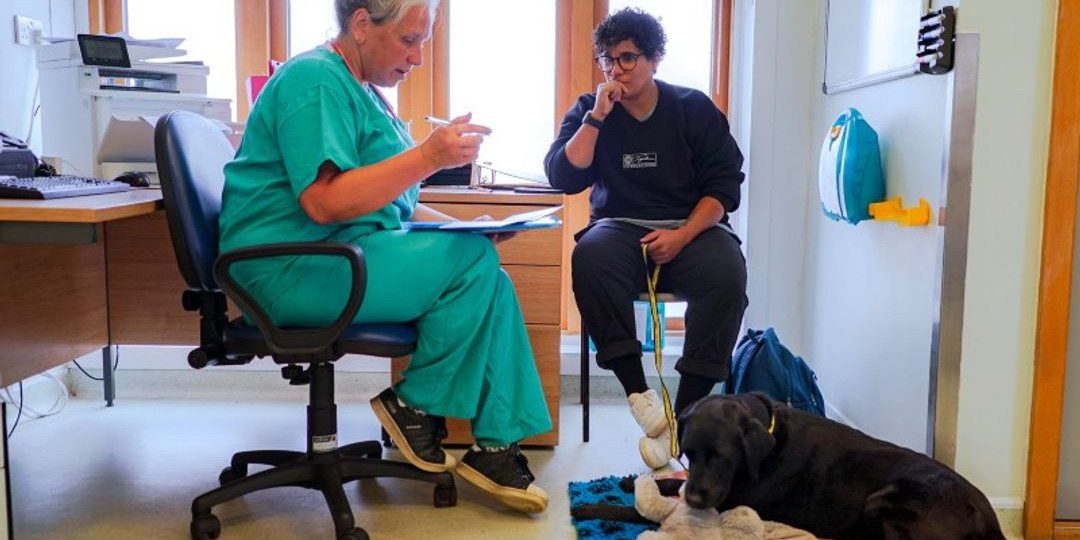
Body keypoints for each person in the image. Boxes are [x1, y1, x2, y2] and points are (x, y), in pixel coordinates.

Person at [218, 0, 551, 513]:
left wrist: (470, 231)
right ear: (360, 25)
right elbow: (325, 202)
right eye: (407, 40)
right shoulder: (315, 80)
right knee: (472, 263)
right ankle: (413, 406)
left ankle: (495, 446)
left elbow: (393, 210)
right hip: (289, 269)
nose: (417, 58)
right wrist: (427, 157)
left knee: (489, 273)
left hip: (339, 257)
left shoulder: (365, 94)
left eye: (424, 43)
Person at [544, 7, 747, 470]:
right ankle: (640, 396)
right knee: (590, 257)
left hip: (693, 226)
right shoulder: (589, 110)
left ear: (655, 58)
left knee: (726, 274)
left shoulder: (693, 108)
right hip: (619, 227)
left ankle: (686, 416)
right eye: (609, 60)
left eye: (629, 58)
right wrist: (595, 118)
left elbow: (724, 188)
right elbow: (563, 175)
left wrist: (682, 236)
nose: (617, 69)